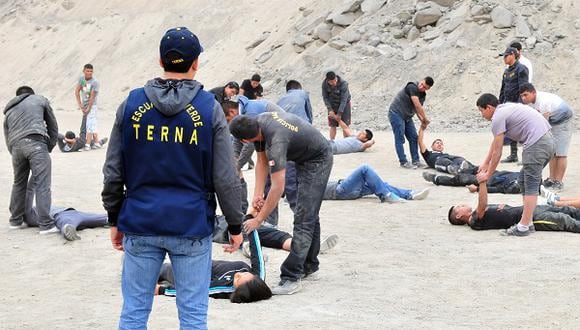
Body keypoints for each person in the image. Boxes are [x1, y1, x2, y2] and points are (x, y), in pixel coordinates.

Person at [102, 27, 244, 329]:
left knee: (134, 312)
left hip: (140, 220)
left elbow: (114, 171)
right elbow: (225, 177)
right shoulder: (209, 109)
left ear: (160, 60)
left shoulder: (131, 105)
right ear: (196, 63)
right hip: (191, 223)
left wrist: (115, 217)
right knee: (193, 315)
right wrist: (234, 224)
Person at [229, 111, 333, 295]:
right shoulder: (259, 124)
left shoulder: (276, 142)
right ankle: (310, 265)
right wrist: (257, 195)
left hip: (318, 159)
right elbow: (261, 162)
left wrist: (259, 219)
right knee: (308, 213)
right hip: (303, 156)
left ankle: (291, 276)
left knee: (304, 217)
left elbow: (278, 187)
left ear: (244, 141)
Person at [475, 93, 554, 236]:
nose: (481, 115)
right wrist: (486, 163)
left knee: (530, 185)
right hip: (547, 141)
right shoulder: (505, 108)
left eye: (481, 111)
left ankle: (523, 227)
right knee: (524, 180)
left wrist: (488, 175)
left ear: (489, 107)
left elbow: (497, 153)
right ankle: (528, 223)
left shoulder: (497, 117)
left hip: (537, 144)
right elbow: (496, 142)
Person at [157, 229, 272, 304]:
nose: (239, 273)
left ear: (236, 290)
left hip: (191, 274)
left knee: (163, 269)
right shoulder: (258, 277)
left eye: (237, 279)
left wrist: (162, 290)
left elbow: (197, 291)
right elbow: (257, 254)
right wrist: (251, 224)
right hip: (205, 261)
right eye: (246, 273)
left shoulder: (223, 287)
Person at [4, 86, 58, 234]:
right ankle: (46, 224)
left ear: (18, 97)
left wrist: (15, 152)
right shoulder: (40, 100)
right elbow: (53, 126)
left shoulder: (9, 111)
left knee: (19, 183)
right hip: (36, 143)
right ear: (31, 94)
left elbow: (7, 136)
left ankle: (15, 221)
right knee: (42, 184)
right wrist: (49, 146)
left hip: (15, 148)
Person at [448, 182, 580, 233]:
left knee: (568, 210)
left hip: (529, 210)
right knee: (563, 220)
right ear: (459, 216)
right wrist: (482, 184)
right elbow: (482, 204)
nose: (463, 204)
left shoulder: (479, 214)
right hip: (532, 219)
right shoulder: (473, 221)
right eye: (459, 207)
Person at [520, 83, 574, 191]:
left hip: (563, 120)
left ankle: (558, 182)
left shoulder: (543, 102)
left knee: (561, 153)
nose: (523, 98)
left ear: (533, 92)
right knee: (552, 152)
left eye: (525, 95)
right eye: (521, 96)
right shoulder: (532, 103)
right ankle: (551, 179)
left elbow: (544, 123)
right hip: (553, 120)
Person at [388, 77, 434, 169]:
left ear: (428, 89)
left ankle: (416, 161)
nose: (421, 87)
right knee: (399, 138)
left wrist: (422, 121)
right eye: (422, 84)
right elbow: (417, 105)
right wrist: (425, 119)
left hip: (407, 116)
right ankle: (403, 162)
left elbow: (417, 110)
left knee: (413, 137)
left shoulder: (422, 95)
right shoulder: (412, 86)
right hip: (396, 113)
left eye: (424, 87)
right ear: (421, 81)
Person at [324, 164, 429, 202]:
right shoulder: (308, 187)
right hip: (340, 191)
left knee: (380, 185)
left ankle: (410, 194)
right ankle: (386, 196)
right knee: (364, 168)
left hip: (345, 188)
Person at [498, 47, 529, 163]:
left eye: (506, 56)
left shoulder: (521, 69)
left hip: (517, 104)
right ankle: (513, 155)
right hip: (508, 104)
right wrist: (500, 104)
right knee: (510, 129)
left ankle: (525, 157)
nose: (504, 58)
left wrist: (520, 106)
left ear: (512, 55)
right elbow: (503, 89)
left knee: (522, 130)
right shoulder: (506, 71)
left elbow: (523, 89)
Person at [422, 170, 521, 194]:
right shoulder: (526, 173)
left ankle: (436, 179)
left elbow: (499, 189)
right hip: (495, 172)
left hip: (489, 181)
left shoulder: (517, 187)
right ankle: (458, 169)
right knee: (474, 168)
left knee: (463, 179)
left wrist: (478, 189)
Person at [74, 63, 101, 151]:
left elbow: (92, 97)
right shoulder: (82, 79)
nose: (89, 73)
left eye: (91, 71)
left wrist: (88, 109)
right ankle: (97, 143)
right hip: (85, 105)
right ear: (84, 71)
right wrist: (81, 105)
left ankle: (87, 145)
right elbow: (77, 91)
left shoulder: (95, 82)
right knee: (92, 123)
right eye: (87, 71)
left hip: (92, 105)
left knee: (89, 124)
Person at [322, 71, 352, 140]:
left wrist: (339, 113)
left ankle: (346, 142)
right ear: (328, 81)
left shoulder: (344, 84)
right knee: (332, 125)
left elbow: (344, 100)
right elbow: (325, 97)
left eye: (335, 80)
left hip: (345, 105)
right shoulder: (324, 84)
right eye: (332, 82)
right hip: (332, 105)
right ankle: (332, 142)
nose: (334, 83)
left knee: (345, 124)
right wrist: (330, 109)